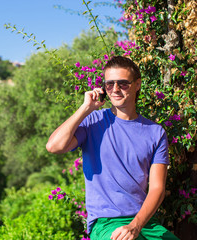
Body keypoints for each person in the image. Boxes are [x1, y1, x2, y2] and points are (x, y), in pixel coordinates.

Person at [46, 56, 179, 240]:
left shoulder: (155, 133)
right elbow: (54, 146)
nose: (115, 89)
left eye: (123, 83)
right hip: (106, 224)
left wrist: (135, 225)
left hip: (144, 223)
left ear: (137, 84)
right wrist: (85, 108)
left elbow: (157, 188)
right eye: (109, 84)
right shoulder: (93, 122)